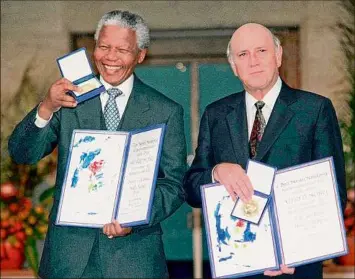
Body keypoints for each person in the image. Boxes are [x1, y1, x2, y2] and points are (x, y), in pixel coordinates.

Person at [8, 10, 187, 279]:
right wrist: (46, 106)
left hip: (134, 260)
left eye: (122, 50)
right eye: (103, 47)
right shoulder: (68, 101)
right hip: (68, 260)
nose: (111, 57)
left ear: (140, 55)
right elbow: (22, 153)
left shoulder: (165, 111)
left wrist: (136, 216)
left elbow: (174, 184)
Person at [183, 23, 346, 279]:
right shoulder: (216, 115)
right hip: (236, 267)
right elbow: (191, 188)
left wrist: (298, 252)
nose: (253, 61)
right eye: (243, 55)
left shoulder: (314, 110)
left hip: (295, 268)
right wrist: (216, 172)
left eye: (261, 50)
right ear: (234, 67)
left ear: (278, 56)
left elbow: (333, 195)